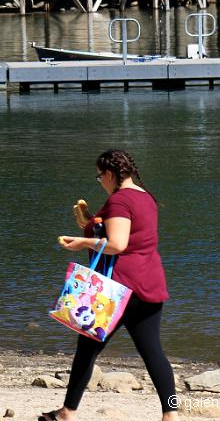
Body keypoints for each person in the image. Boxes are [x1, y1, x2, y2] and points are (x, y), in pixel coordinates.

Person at [43, 149, 177, 421]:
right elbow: (127, 234)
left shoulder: (119, 200)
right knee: (153, 353)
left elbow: (118, 244)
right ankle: (170, 414)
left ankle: (68, 412)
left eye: (99, 176)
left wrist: (82, 241)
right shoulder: (144, 196)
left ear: (111, 174)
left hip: (118, 289)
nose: (100, 181)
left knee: (86, 350)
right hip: (150, 283)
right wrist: (92, 223)